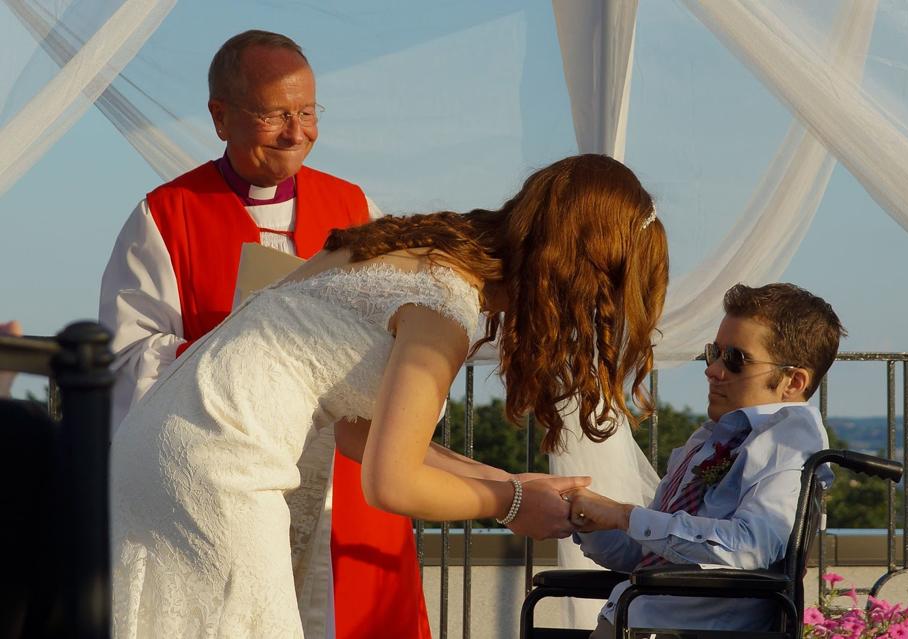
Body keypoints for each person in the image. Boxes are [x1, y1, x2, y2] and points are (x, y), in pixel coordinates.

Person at [109, 153, 668, 638]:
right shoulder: (448, 305)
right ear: (580, 271)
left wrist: (508, 482)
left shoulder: (425, 250)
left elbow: (360, 432)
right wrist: (512, 506)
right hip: (219, 463)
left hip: (160, 442)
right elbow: (391, 481)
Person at [98, 30, 425, 638]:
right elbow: (126, 358)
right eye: (275, 114)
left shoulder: (355, 209)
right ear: (221, 117)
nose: (296, 132)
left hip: (343, 489)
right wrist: (239, 351)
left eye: (307, 112)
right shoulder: (166, 215)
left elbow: (401, 328)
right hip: (221, 480)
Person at [566, 282, 845, 638]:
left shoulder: (786, 440)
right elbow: (649, 556)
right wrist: (588, 518)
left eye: (736, 359)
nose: (712, 370)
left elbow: (750, 547)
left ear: (793, 382)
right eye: (715, 352)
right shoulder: (713, 439)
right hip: (640, 619)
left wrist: (624, 515)